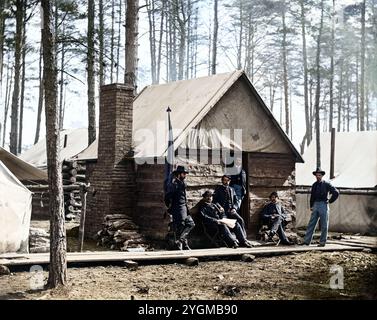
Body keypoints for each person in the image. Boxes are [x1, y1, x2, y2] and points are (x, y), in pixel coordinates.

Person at [303, 168, 339, 247]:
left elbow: (336, 192)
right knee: (311, 223)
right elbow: (312, 196)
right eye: (317, 175)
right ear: (315, 176)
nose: (318, 176)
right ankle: (306, 241)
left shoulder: (326, 184)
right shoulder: (314, 185)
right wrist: (311, 206)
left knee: (324, 224)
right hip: (316, 204)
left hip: (323, 204)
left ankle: (322, 242)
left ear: (322, 176)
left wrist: (329, 201)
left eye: (319, 175)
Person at [165, 165, 195, 250]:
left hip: (184, 208)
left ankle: (181, 241)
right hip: (178, 209)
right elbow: (167, 197)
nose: (185, 175)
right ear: (178, 174)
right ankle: (182, 245)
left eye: (185, 174)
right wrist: (170, 207)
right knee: (181, 226)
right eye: (183, 174)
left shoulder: (182, 183)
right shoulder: (174, 185)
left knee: (191, 223)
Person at [213, 175, 248, 239]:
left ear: (230, 181)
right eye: (225, 180)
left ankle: (243, 238)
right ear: (222, 181)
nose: (226, 182)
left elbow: (236, 200)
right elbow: (214, 201)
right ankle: (232, 239)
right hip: (222, 212)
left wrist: (234, 208)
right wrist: (219, 207)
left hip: (231, 211)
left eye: (228, 180)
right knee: (226, 223)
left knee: (240, 220)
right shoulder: (218, 189)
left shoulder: (232, 189)